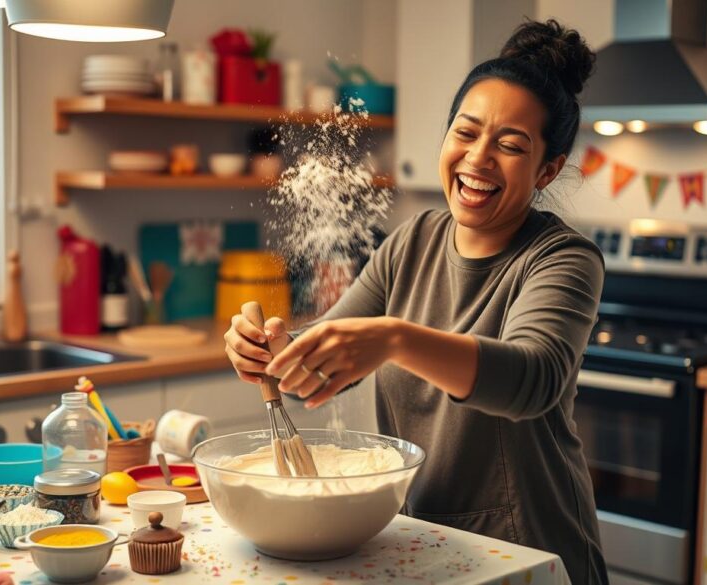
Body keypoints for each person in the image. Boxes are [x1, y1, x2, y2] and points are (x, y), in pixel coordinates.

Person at [224, 18, 608, 585]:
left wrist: (393, 337)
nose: (478, 159)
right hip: (426, 545)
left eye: (510, 145)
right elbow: (326, 360)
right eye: (466, 132)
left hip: (529, 554)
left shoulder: (562, 259)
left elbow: (534, 380)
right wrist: (277, 351)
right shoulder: (413, 241)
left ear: (547, 169)